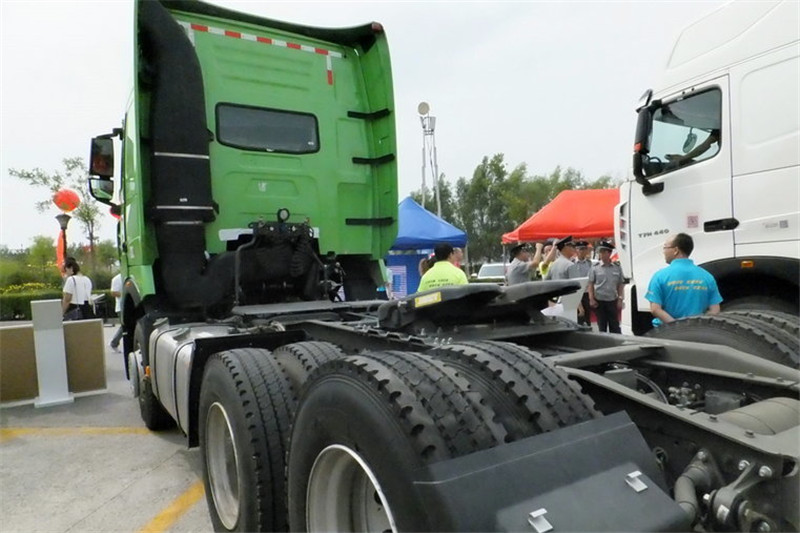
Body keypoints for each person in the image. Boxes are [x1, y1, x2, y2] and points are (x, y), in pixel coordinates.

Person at [646, 233, 722, 326]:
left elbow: (655, 309)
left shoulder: (659, 276)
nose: (663, 252)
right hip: (697, 330)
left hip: (666, 331)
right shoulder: (707, 276)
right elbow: (715, 310)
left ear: (676, 250)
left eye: (665, 247)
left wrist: (677, 326)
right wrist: (697, 327)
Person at [588, 240, 625, 333]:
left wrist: (620, 298)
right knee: (602, 326)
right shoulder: (595, 267)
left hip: (612, 300)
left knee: (615, 326)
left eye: (603, 252)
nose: (600, 254)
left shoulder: (617, 267)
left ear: (609, 253)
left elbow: (620, 284)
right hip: (599, 301)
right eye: (600, 252)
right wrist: (591, 299)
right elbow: (590, 284)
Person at [567, 240, 592, 326]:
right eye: (580, 249)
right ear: (576, 250)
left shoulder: (589, 263)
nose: (582, 251)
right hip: (576, 293)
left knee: (587, 318)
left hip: (586, 293)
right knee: (578, 317)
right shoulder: (572, 263)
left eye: (584, 249)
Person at [109, 272, 124, 351]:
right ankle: (114, 342)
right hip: (121, 307)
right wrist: (125, 294)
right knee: (124, 326)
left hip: (129, 306)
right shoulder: (117, 278)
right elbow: (113, 292)